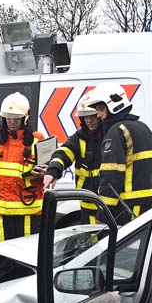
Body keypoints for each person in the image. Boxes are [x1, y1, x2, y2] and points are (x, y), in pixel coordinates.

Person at [87, 83, 152, 225]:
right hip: (146, 204)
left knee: (122, 246)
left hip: (125, 207)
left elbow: (111, 176)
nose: (98, 115)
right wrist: (142, 184)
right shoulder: (143, 127)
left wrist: (103, 213)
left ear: (112, 106)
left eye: (100, 109)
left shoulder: (116, 131)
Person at [0, 92, 46, 241]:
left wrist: (45, 173)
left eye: (16, 118)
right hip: (1, 212)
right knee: (3, 258)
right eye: (8, 117)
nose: (11, 121)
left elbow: (52, 171)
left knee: (27, 257)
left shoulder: (38, 140)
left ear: (25, 118)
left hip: (29, 211)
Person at [43, 92, 103, 224]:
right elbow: (63, 153)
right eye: (85, 117)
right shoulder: (79, 138)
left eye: (92, 116)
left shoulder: (111, 136)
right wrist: (53, 171)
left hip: (108, 207)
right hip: (87, 206)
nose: (89, 120)